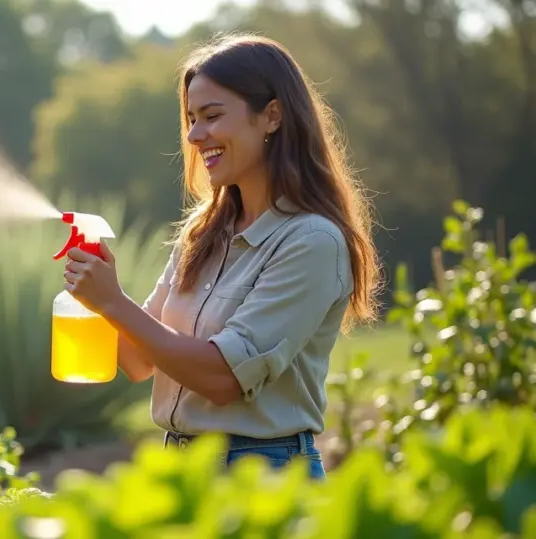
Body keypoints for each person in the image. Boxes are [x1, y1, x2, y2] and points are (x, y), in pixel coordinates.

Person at [62, 33, 382, 481]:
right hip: (181, 469)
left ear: (271, 116)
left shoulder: (311, 242)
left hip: (264, 476)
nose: (195, 136)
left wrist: (113, 302)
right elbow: (139, 361)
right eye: (191, 119)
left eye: (212, 116)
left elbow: (223, 379)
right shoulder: (203, 233)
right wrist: (95, 297)